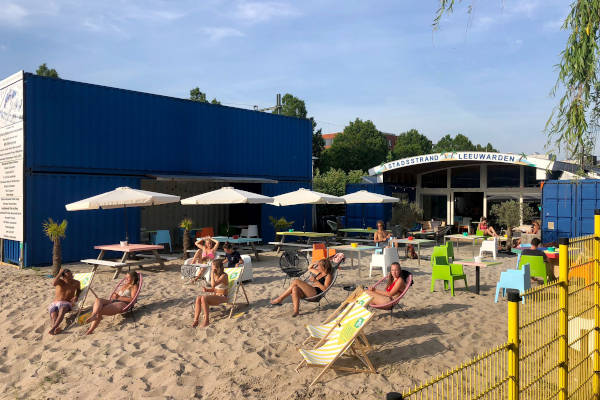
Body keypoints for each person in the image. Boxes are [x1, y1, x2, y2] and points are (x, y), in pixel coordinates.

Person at [192, 259, 229, 328]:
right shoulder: (216, 274)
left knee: (204, 298)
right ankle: (196, 320)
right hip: (216, 296)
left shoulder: (224, 276)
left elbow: (213, 285)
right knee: (199, 297)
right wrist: (208, 290)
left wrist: (212, 273)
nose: (211, 267)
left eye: (212, 266)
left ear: (217, 267)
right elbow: (215, 289)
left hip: (223, 297)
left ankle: (206, 320)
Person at [48, 268, 81, 335]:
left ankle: (53, 328)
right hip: (55, 303)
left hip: (66, 302)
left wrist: (76, 296)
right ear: (63, 277)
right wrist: (60, 273)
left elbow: (79, 290)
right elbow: (53, 283)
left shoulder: (76, 282)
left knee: (62, 309)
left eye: (71, 274)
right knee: (54, 315)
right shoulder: (60, 282)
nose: (71, 276)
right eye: (68, 276)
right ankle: (55, 329)